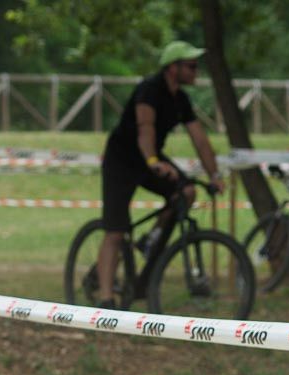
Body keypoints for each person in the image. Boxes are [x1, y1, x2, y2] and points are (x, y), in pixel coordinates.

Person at [94, 40, 225, 309]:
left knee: (186, 192)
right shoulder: (149, 89)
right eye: (191, 66)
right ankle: (106, 298)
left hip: (151, 158)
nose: (196, 71)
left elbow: (200, 140)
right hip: (123, 160)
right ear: (172, 68)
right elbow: (145, 127)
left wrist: (214, 175)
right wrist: (153, 161)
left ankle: (150, 240)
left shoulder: (181, 99)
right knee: (116, 231)